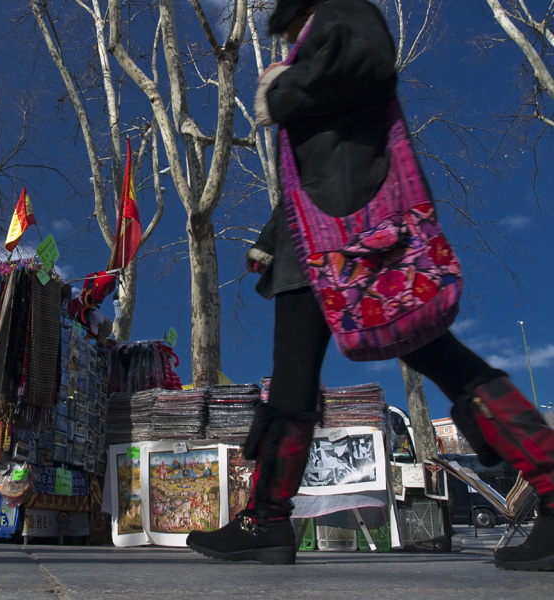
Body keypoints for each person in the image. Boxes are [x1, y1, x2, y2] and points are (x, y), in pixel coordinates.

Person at [186, 0, 554, 569]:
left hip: (357, 238)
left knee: (441, 359)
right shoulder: (314, 41)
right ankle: (267, 520)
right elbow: (316, 167)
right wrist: (270, 236)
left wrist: (284, 89)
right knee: (292, 382)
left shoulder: (341, 13)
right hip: (315, 244)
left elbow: (371, 61)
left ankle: (552, 487)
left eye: (282, 26)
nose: (282, 38)